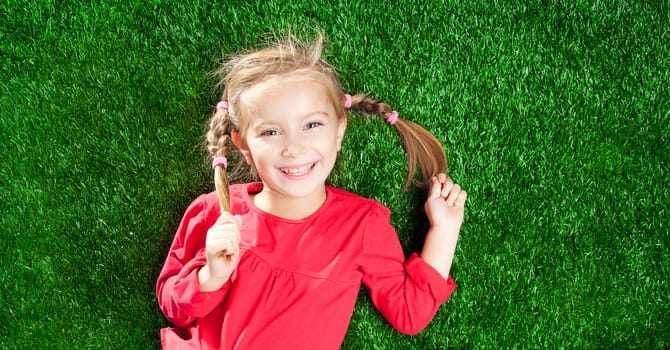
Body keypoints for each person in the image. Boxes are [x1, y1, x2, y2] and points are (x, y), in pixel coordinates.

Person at [156, 33, 467, 350]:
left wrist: (445, 229)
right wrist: (211, 276)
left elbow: (409, 313)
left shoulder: (361, 225)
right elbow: (173, 308)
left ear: (339, 130)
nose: (294, 148)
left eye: (312, 125)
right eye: (271, 132)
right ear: (244, 146)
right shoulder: (215, 212)